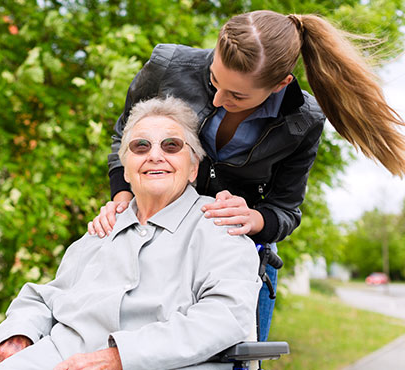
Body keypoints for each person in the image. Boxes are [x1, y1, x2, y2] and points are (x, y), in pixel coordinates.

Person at [88, 10, 405, 341]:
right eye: (213, 80)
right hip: (157, 251)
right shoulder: (167, 65)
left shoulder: (303, 122)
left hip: (238, 266)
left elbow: (285, 211)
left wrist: (254, 218)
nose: (218, 99)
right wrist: (122, 198)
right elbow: (125, 135)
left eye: (237, 95)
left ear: (281, 84)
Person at [0, 97, 262, 370]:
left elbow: (224, 316)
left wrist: (122, 357)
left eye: (171, 145)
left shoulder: (218, 224)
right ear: (125, 171)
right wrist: (17, 334)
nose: (155, 155)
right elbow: (46, 297)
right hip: (60, 357)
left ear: (193, 168)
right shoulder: (102, 228)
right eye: (141, 146)